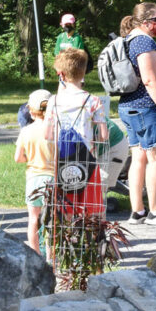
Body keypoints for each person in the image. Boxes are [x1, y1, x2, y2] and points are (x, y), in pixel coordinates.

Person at [118, 3, 156, 225]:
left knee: (138, 159)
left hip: (129, 106)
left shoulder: (128, 40)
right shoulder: (144, 41)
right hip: (147, 108)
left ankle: (138, 211)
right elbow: (149, 80)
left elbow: (146, 75)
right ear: (145, 22)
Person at [45, 48, 109, 218]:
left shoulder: (53, 101)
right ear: (83, 73)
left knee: (66, 208)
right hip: (88, 160)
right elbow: (104, 136)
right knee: (91, 210)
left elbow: (47, 135)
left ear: (61, 74)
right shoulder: (93, 101)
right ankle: (90, 242)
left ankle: (68, 239)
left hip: (63, 161)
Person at [15, 89, 54, 253]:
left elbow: (18, 158)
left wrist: (29, 159)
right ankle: (51, 255)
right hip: (52, 178)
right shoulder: (54, 130)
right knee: (51, 220)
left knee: (33, 218)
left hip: (33, 179)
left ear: (31, 111)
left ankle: (34, 253)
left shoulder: (25, 131)